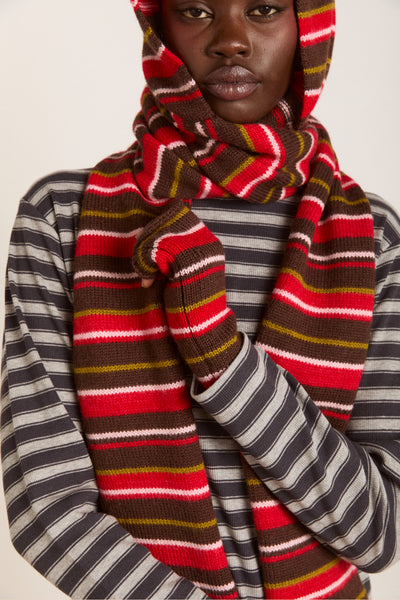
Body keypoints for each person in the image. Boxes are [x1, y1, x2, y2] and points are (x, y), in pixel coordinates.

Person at [2, 0, 400, 598]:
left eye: (263, 8)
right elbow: (46, 508)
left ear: (309, 29)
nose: (231, 40)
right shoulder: (64, 217)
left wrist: (220, 351)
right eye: (195, 10)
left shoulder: (370, 236)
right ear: (159, 29)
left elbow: (379, 533)